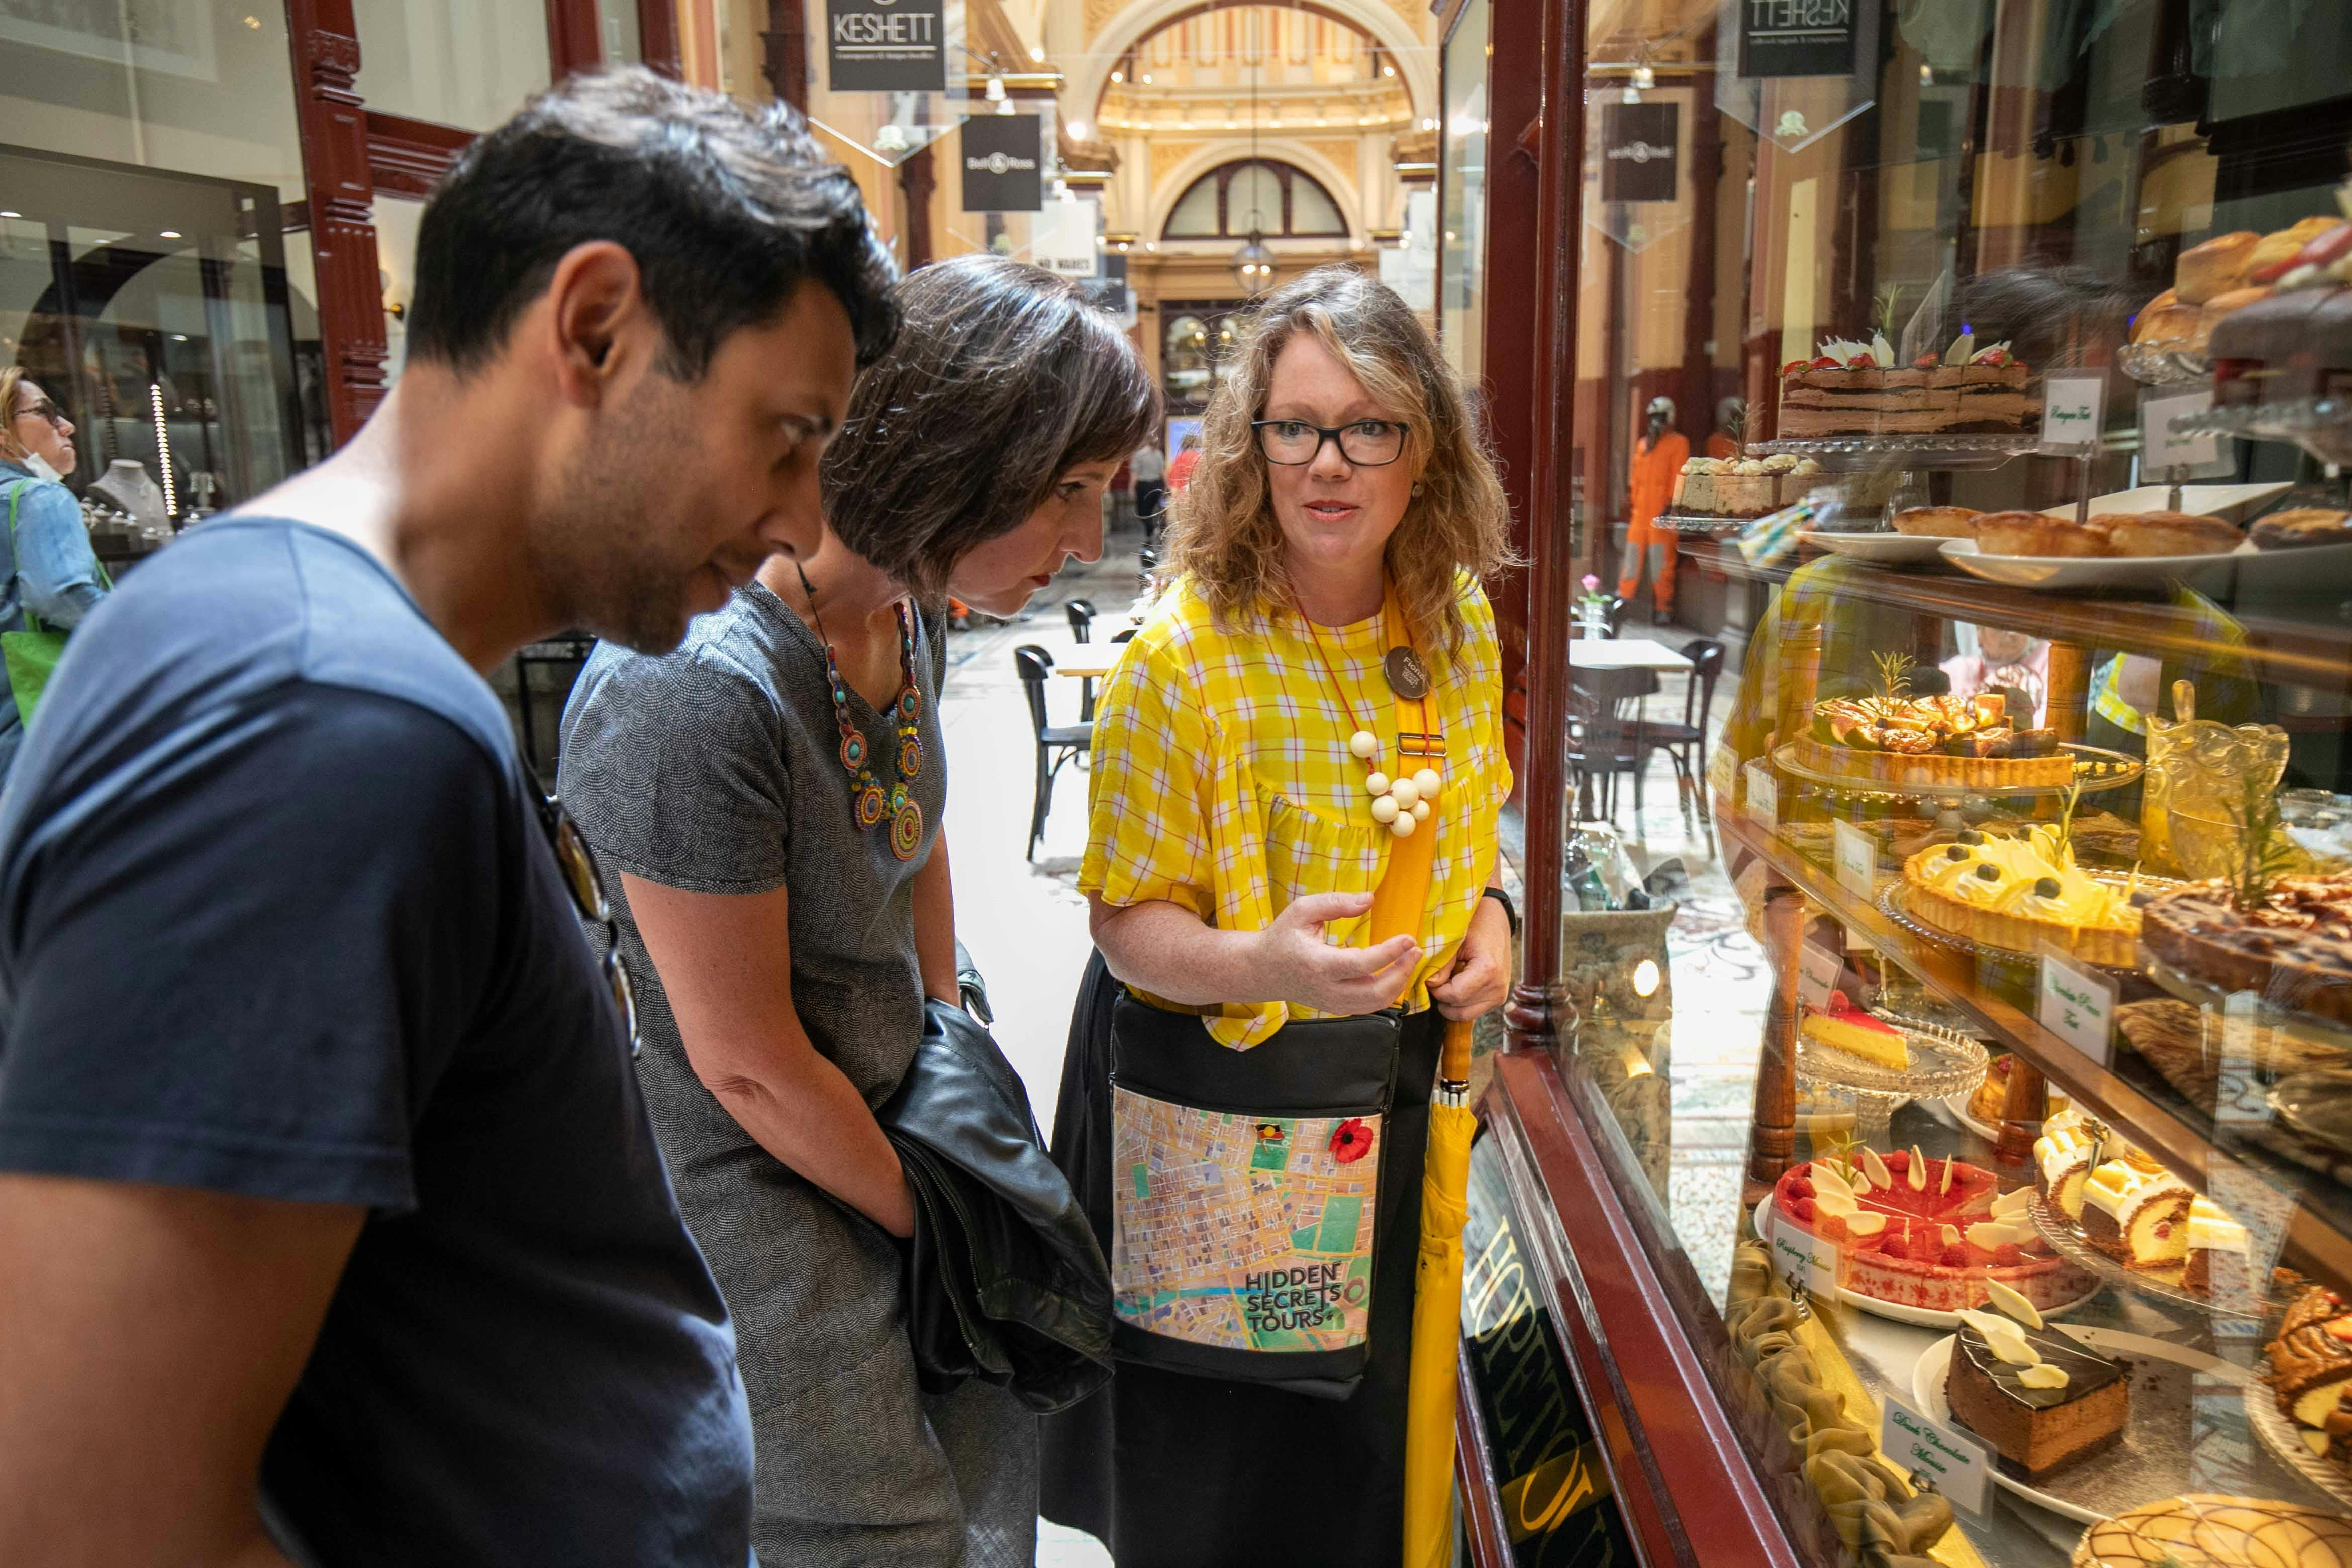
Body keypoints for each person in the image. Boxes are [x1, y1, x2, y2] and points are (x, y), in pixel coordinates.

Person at [0, 68, 898, 1566]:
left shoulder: (294, 651)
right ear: (595, 328)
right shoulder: (323, 719)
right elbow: (98, 1516)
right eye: (785, 435)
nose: (802, 520)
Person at [557, 254, 1152, 1567]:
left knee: (975, 1460)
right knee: (871, 1523)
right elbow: (745, 1065)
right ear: (961, 451)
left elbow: (919, 836)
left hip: (896, 1131)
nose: (1083, 547)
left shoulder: (899, 611)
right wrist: (940, 1212)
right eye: (1067, 494)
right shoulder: (687, 688)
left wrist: (950, 1043)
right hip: (771, 1211)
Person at [1039, 265, 1516, 1564]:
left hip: (1395, 1113)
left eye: (1370, 429)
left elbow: (1472, 836)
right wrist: (1261, 961)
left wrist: (1493, 917)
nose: (1329, 464)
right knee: (1227, 1502)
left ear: (1426, 450)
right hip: (1226, 1129)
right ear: (1251, 445)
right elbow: (1124, 926)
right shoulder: (1181, 660)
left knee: (1363, 1480)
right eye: (1297, 426)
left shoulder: (1457, 624)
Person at [0, 367, 110, 777]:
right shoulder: (41, 498)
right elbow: (60, 595)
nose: (67, 426)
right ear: (4, 436)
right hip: (35, 738)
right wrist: (135, 626)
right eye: (45, 413)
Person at [1619, 393, 1687, 624]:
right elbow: (1636, 479)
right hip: (1640, 514)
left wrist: (1671, 504)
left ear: (1669, 417)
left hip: (1663, 513)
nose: (1656, 421)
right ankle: (1624, 601)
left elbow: (1680, 475)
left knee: (1662, 563)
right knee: (1631, 559)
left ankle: (1663, 607)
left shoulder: (1678, 443)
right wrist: (1633, 501)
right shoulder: (1643, 445)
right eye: (1653, 417)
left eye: (1660, 416)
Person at [1941, 623, 2051, 727]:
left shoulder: (2049, 656)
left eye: (2019, 624)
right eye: (2002, 627)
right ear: (1978, 633)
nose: (2013, 633)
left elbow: (2049, 722)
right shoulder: (1958, 669)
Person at [1132, 437, 1167, 538]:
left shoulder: (1139, 455)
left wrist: (1132, 487)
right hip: (1157, 485)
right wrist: (1166, 486)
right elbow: (1162, 473)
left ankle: (1151, 531)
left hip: (1144, 486)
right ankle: (1155, 530)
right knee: (1157, 509)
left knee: (1143, 512)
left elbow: (1134, 473)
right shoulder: (1159, 454)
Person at [1167, 429, 1203, 494]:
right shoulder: (1200, 457)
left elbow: (1174, 478)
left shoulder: (1180, 457)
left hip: (1182, 495)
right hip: (1196, 494)